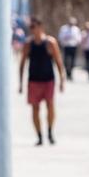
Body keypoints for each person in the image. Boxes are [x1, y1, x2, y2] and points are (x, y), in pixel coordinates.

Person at [18, 17, 67, 146]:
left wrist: (62, 79)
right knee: (35, 109)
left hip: (48, 80)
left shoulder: (50, 43)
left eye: (34, 27)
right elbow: (22, 63)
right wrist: (20, 83)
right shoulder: (28, 44)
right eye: (31, 28)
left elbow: (58, 61)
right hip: (34, 80)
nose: (32, 30)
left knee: (50, 106)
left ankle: (50, 132)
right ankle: (39, 135)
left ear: (40, 27)